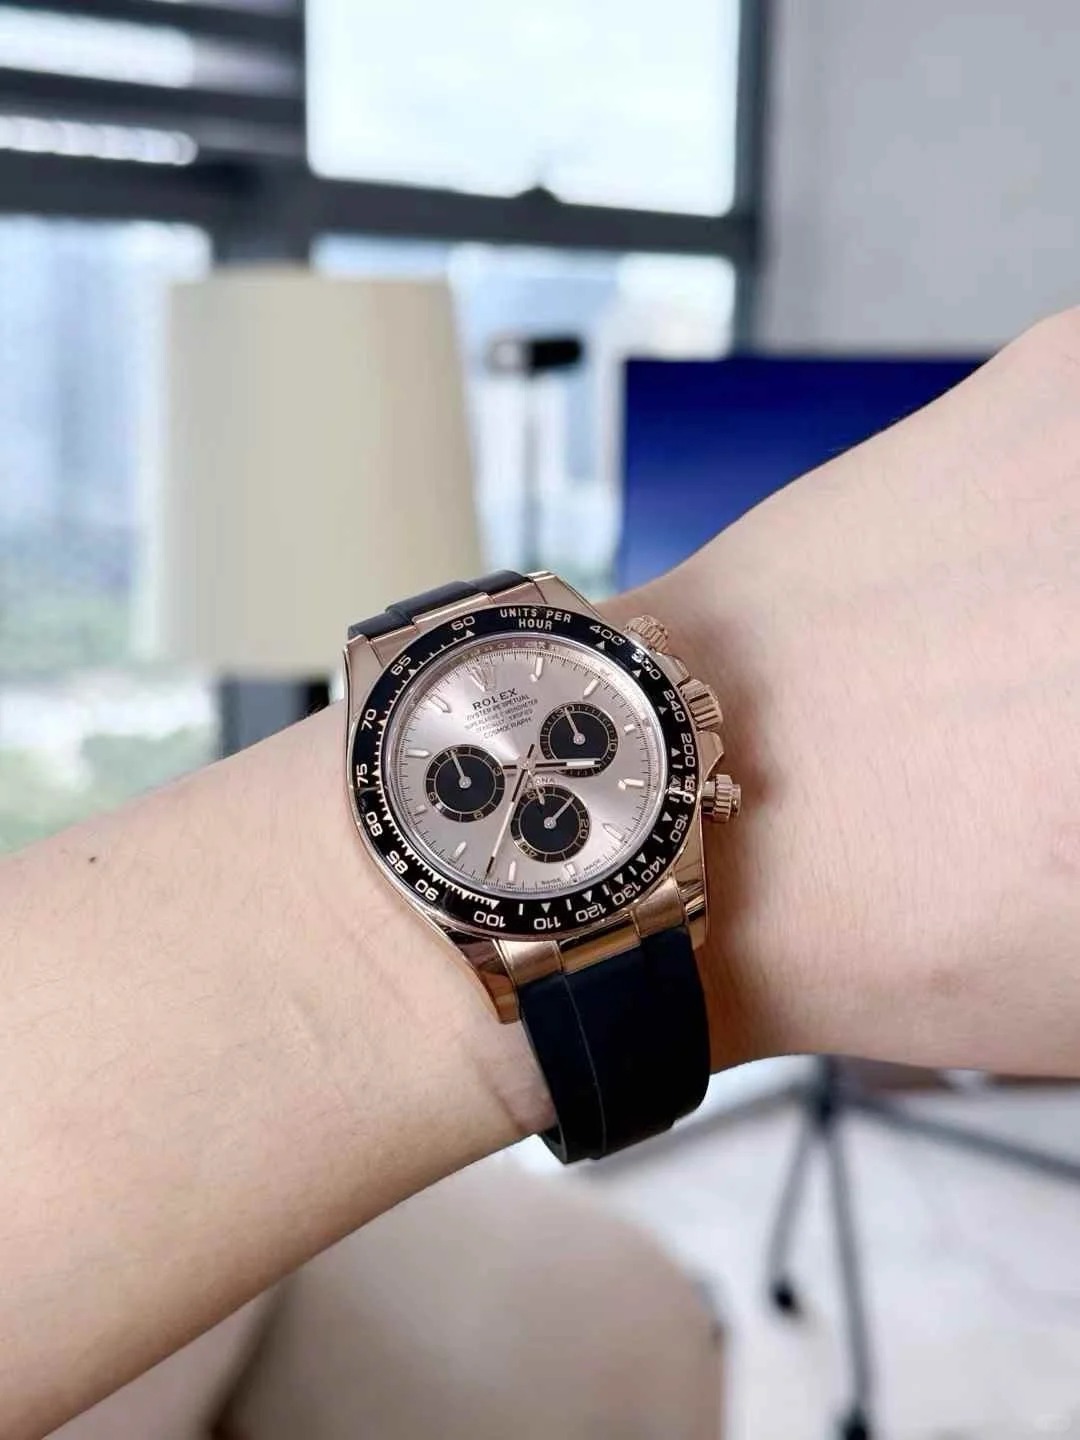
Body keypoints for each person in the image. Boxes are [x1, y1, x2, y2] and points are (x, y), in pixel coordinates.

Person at [2, 307, 1078, 1440]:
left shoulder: (627, 739)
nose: (520, 769)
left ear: (685, 722)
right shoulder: (425, 781)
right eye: (486, 767)